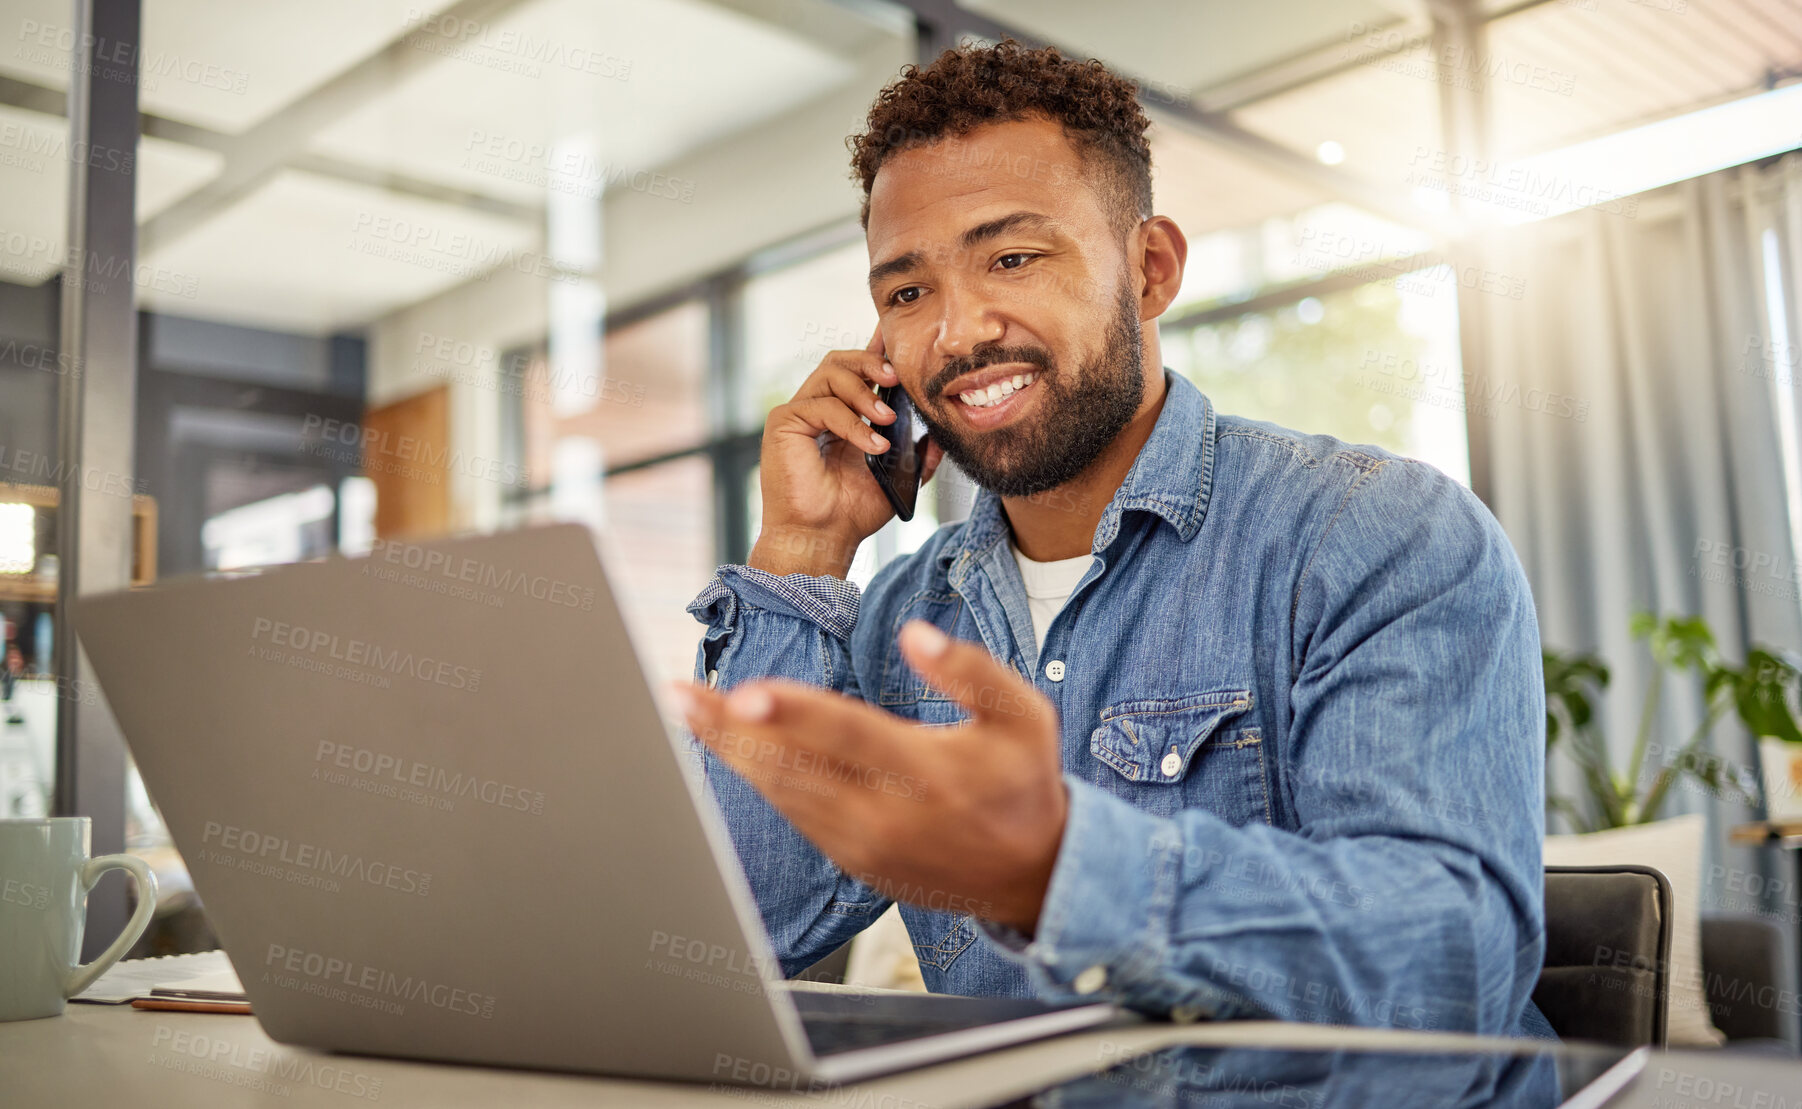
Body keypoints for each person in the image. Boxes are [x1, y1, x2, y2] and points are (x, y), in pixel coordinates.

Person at [672, 39, 1551, 1038]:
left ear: (1150, 269)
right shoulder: (898, 621)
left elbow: (1451, 958)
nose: (956, 332)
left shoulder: (1379, 539)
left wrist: (1061, 867)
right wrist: (799, 548)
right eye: (906, 292)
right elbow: (743, 934)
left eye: (1011, 256)